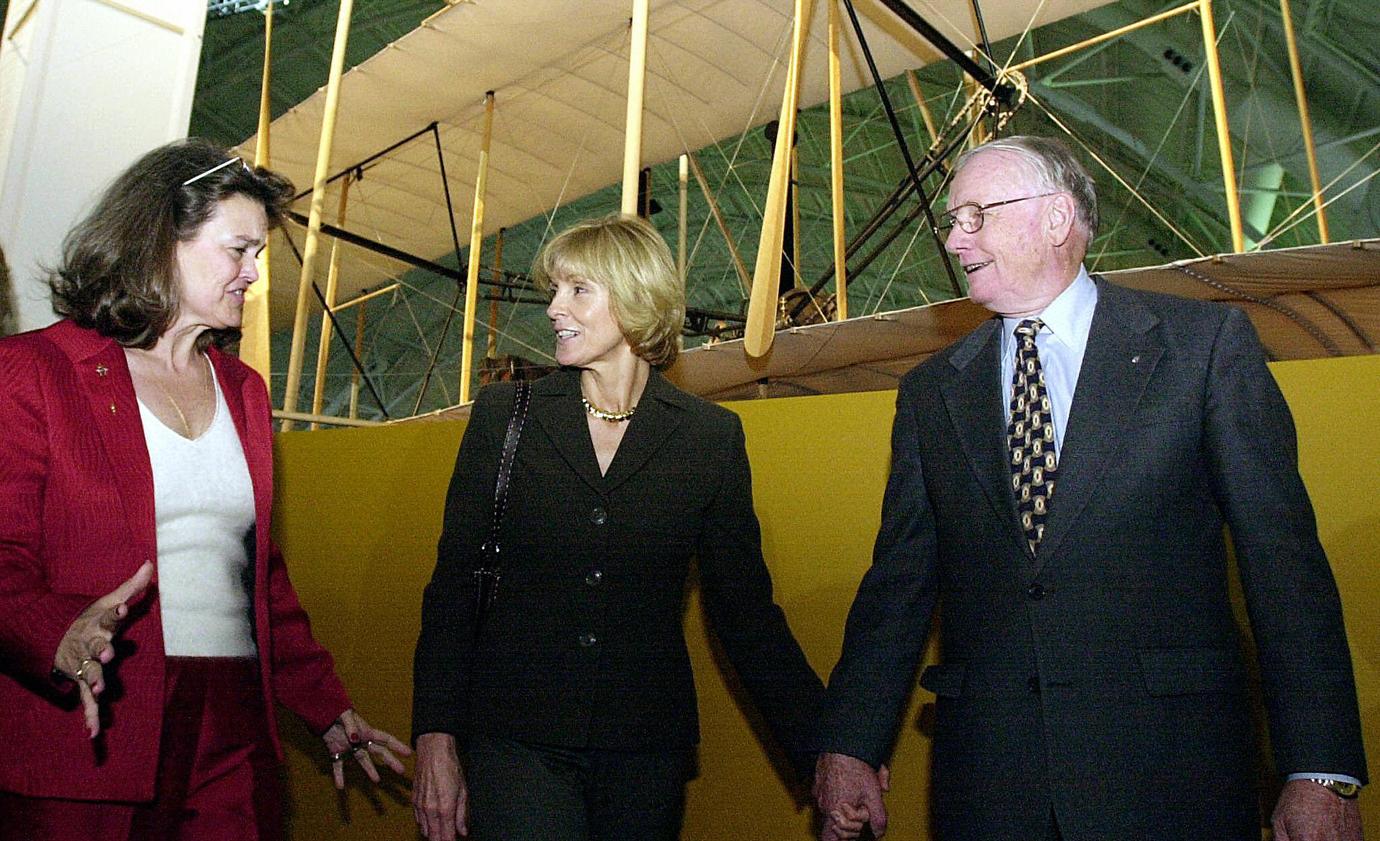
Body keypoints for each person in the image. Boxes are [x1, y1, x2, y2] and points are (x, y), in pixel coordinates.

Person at [812, 135, 1366, 841]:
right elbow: (899, 583)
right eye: (953, 221)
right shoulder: (932, 393)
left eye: (975, 215)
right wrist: (850, 741)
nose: (954, 239)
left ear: (1056, 218)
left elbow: (1284, 567)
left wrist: (1320, 769)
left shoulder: (1203, 348)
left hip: (1172, 780)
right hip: (990, 790)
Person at [0, 138, 410, 841]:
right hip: (92, 724)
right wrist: (59, 631)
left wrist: (325, 705)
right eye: (239, 250)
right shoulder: (34, 373)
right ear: (163, 240)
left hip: (232, 732)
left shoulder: (243, 391)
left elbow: (257, 576)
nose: (255, 273)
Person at [412, 213, 825, 840]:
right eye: (555, 290)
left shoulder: (707, 439)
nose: (553, 308)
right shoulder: (506, 418)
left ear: (636, 299)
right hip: (517, 742)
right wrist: (435, 736)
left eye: (578, 290)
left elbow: (745, 613)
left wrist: (826, 751)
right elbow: (453, 591)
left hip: (645, 753)